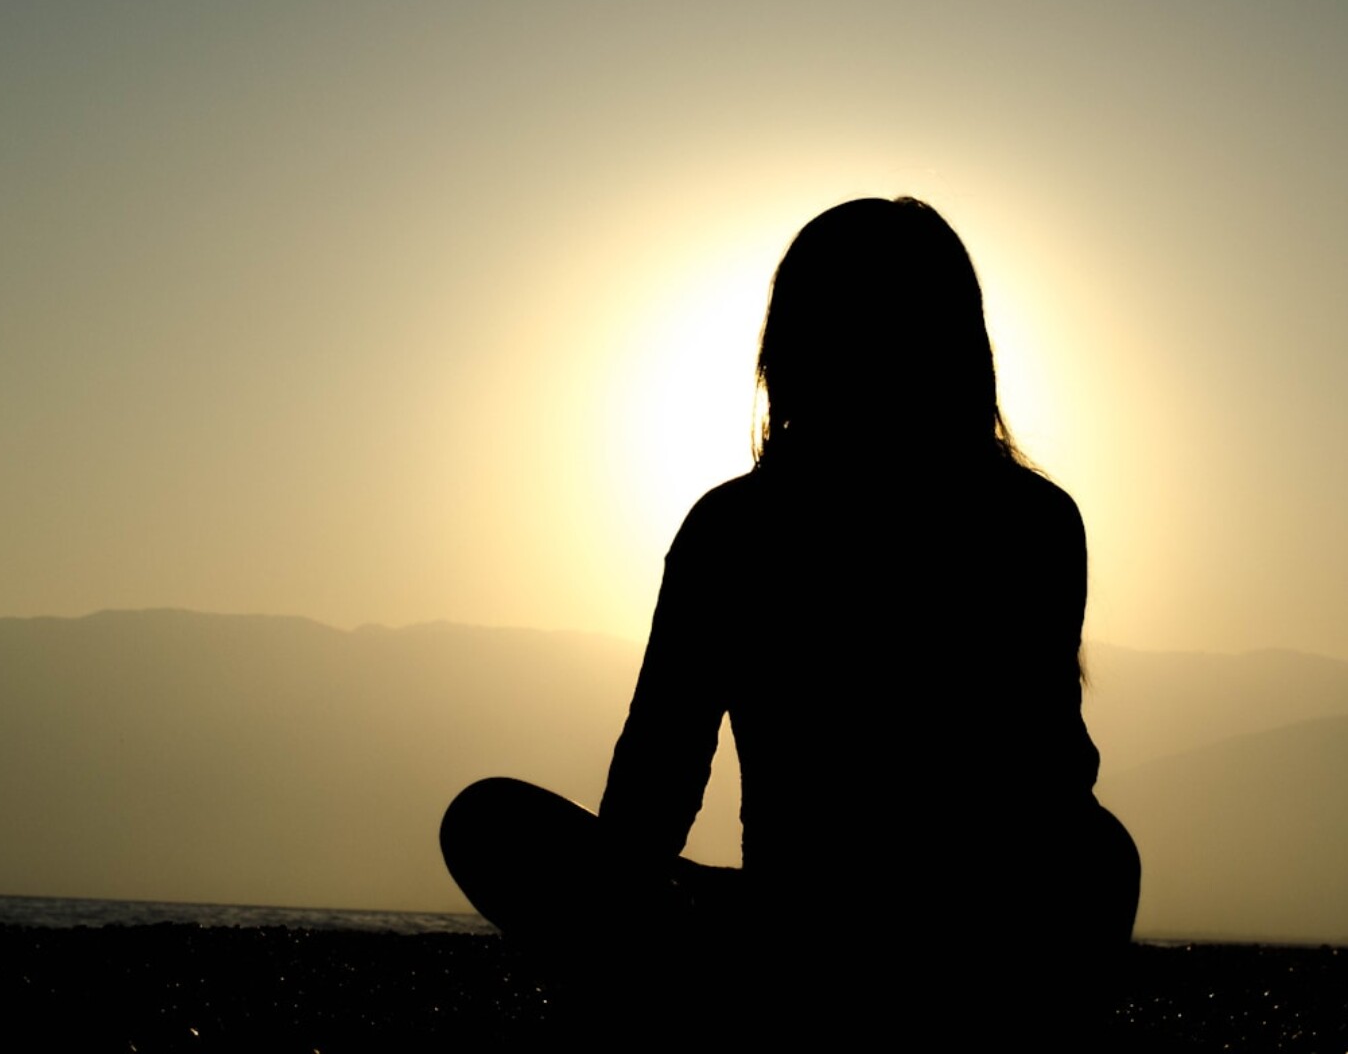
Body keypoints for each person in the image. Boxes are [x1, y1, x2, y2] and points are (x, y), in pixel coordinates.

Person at [442, 197, 1139, 1037]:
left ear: (789, 347)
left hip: (807, 940)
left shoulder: (736, 528)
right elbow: (1053, 778)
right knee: (1101, 853)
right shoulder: (1033, 520)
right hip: (963, 940)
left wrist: (621, 924)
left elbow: (655, 787)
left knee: (489, 823)